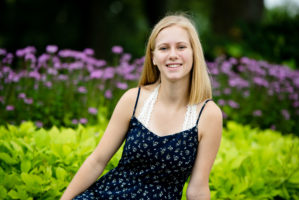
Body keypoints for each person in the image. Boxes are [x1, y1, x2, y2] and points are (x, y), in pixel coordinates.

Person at [61, 13, 222, 200]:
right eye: (163, 48)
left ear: (194, 53)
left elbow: (197, 189)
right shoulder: (133, 100)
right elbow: (97, 161)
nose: (172, 55)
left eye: (181, 47)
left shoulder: (208, 115)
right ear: (153, 58)